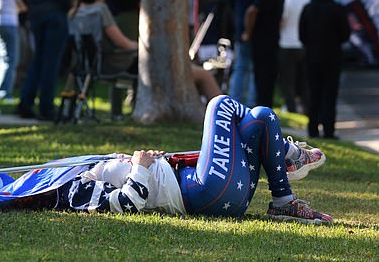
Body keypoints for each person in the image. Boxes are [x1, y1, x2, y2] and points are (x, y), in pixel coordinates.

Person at [58, 95, 330, 224]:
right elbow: (126, 205)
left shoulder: (89, 167)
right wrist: (139, 167)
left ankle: (284, 201)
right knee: (220, 104)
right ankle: (290, 156)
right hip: (204, 191)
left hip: (221, 188)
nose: (63, 159)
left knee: (261, 116)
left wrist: (150, 162)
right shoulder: (75, 186)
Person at [74, 0, 221, 102]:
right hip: (117, 63)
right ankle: (227, 117)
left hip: (94, 64)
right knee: (202, 74)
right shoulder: (100, 10)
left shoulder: (77, 13)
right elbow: (123, 43)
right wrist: (146, 47)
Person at [17, 0, 73, 120]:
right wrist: (69, 4)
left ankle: (26, 101)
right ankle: (46, 106)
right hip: (54, 13)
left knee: (38, 59)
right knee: (51, 62)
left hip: (36, 13)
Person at [242, 0, 301, 107]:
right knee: (263, 81)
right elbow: (252, 11)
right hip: (263, 44)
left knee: (268, 82)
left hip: (272, 43)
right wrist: (248, 33)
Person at [300, 0, 351, 138]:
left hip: (312, 56)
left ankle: (312, 128)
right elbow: (345, 34)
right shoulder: (338, 9)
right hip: (332, 57)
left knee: (313, 93)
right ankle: (329, 129)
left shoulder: (308, 8)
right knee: (330, 94)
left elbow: (302, 35)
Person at [278, 0, 312, 113]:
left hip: (287, 43)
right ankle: (307, 107)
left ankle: (291, 107)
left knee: (288, 80)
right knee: (305, 80)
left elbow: (281, 22)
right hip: (305, 45)